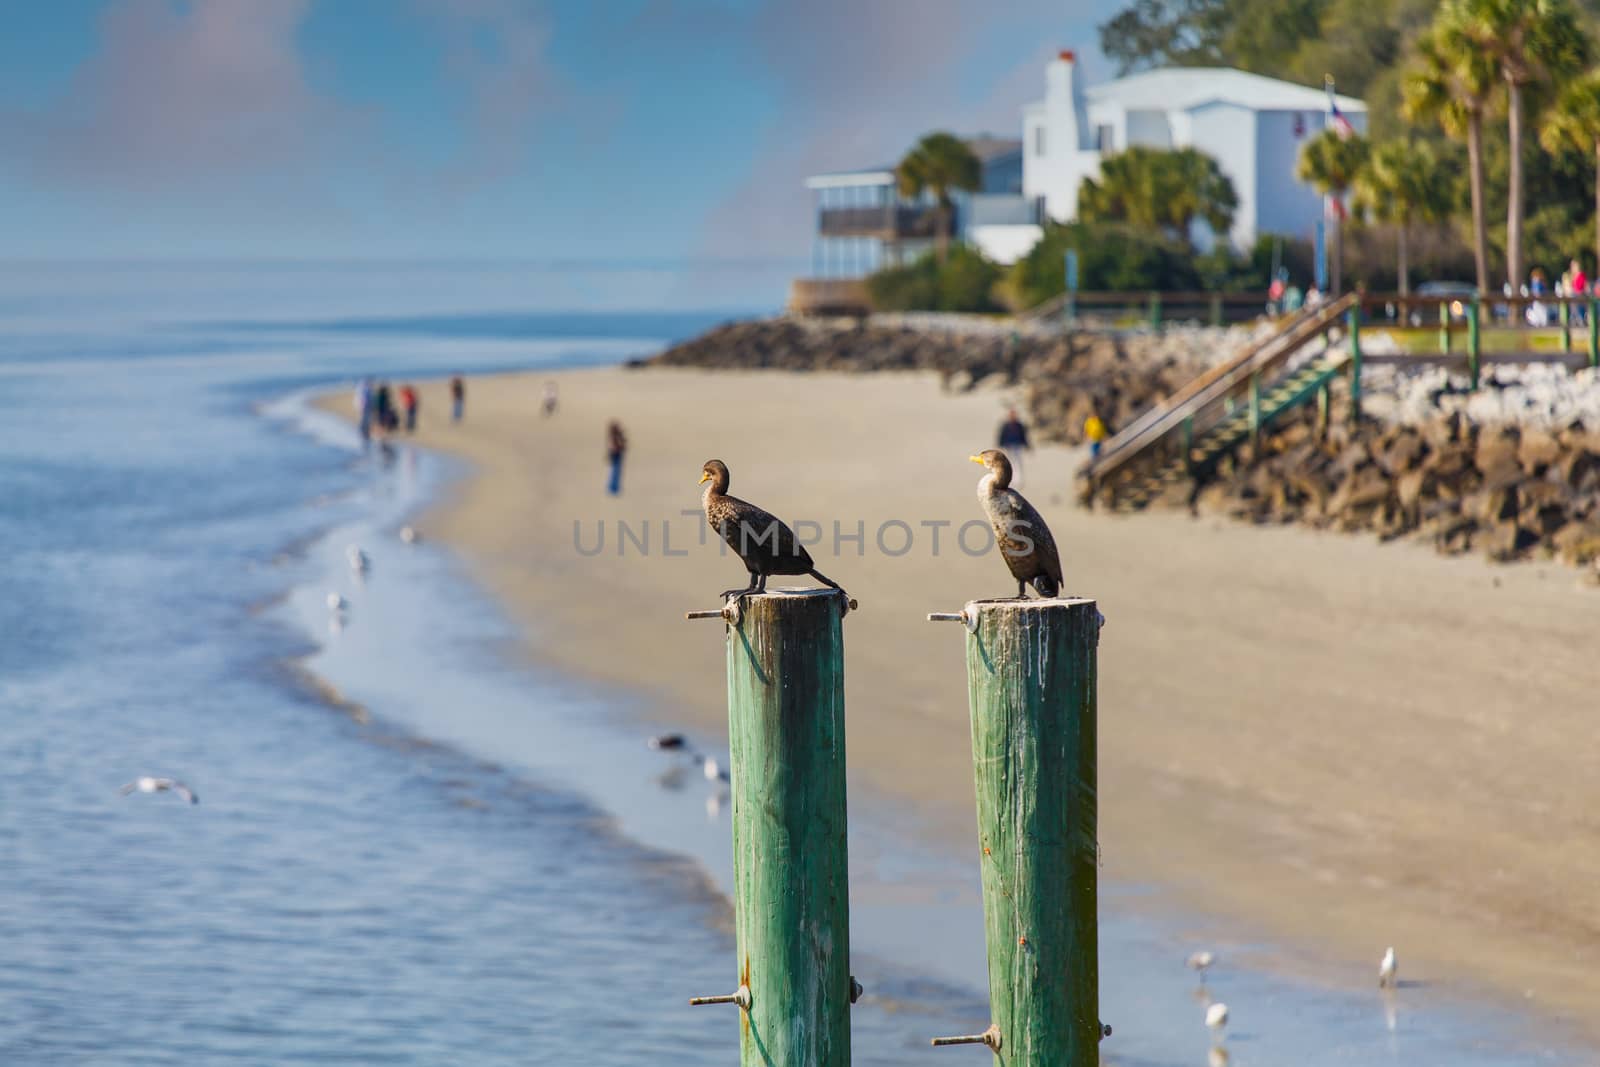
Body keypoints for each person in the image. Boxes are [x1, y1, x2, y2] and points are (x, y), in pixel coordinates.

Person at [996, 408, 1031, 486]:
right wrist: (1000, 445)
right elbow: (1002, 436)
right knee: (1010, 462)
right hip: (1008, 446)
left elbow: (1023, 436)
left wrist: (1027, 445)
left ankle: (1019, 479)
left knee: (1018, 462)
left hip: (1017, 446)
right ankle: (1011, 479)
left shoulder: (1019, 425)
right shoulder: (1006, 425)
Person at [606, 420, 627, 496]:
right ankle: (613, 488)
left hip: (617, 455)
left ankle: (613, 488)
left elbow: (620, 445)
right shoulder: (616, 436)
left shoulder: (616, 436)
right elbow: (614, 447)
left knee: (615, 472)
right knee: (615, 472)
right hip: (616, 455)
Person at [355, 377, 374, 448]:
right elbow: (363, 399)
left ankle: (364, 432)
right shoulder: (364, 390)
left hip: (365, 407)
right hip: (364, 407)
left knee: (366, 420)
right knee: (364, 420)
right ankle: (363, 432)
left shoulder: (365, 389)